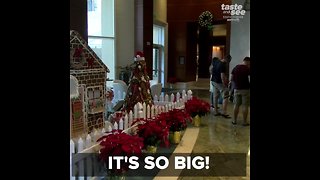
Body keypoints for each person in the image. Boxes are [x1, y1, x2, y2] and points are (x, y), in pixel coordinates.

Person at [230, 57, 250, 126]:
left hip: (236, 89)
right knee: (245, 106)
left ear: (243, 61)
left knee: (236, 105)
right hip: (245, 89)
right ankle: (244, 122)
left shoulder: (236, 67)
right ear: (248, 62)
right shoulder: (248, 69)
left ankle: (234, 120)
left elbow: (231, 78)